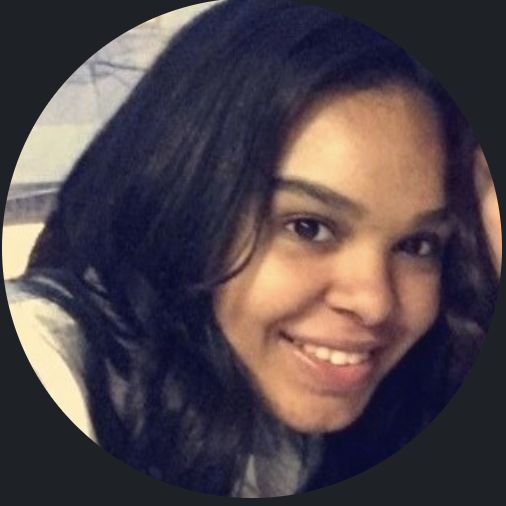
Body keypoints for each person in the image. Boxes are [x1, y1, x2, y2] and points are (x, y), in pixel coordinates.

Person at [6, 0, 496, 497]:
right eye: (308, 228)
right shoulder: (50, 358)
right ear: (185, 202)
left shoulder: (362, 409)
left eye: (417, 244)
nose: (375, 303)